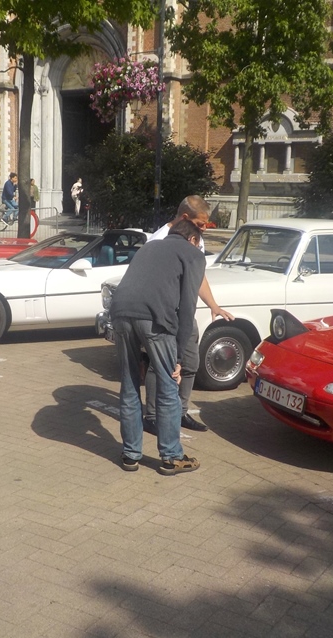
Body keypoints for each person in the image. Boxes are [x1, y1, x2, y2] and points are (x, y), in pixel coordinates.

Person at [111, 218, 206, 475]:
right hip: (155, 319)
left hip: (120, 312)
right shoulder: (193, 254)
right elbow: (187, 307)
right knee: (167, 386)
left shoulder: (151, 246)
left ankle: (130, 454)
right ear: (193, 239)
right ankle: (172, 457)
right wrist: (178, 357)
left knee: (129, 383)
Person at [143, 196, 235, 434]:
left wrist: (213, 305)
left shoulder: (196, 238)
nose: (204, 229)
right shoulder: (159, 240)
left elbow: (198, 274)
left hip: (185, 312)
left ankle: (181, 412)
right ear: (185, 218)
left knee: (191, 362)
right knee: (159, 364)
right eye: (200, 224)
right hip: (163, 314)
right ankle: (151, 416)